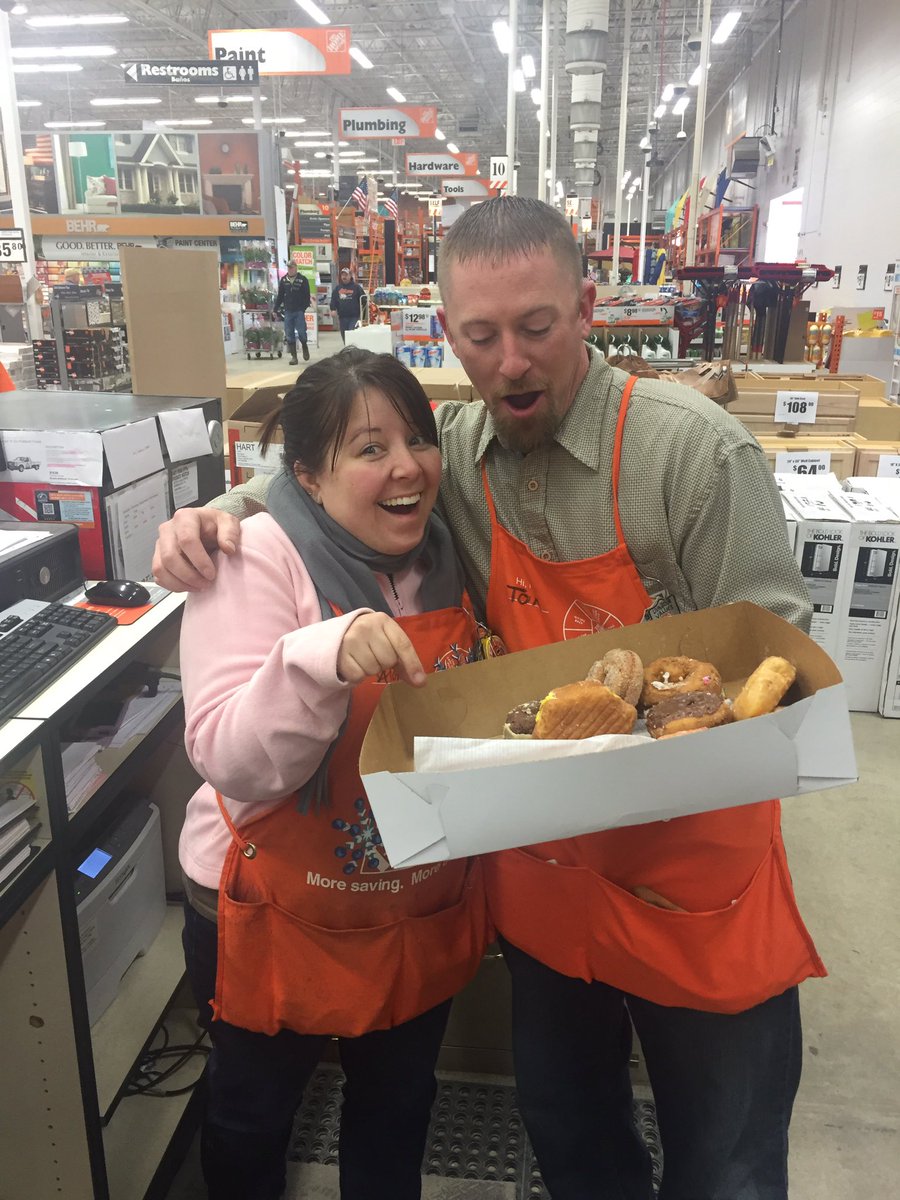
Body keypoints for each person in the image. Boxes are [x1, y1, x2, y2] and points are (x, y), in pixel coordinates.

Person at [154, 196, 820, 1200]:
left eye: (537, 328)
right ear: (449, 336)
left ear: (587, 308)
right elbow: (334, 475)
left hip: (694, 884)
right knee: (571, 1134)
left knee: (724, 1164)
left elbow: (788, 676)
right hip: (548, 888)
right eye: (481, 336)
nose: (510, 362)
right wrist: (217, 512)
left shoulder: (693, 453)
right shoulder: (458, 458)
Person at [177, 347, 490, 1200]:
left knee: (396, 1109)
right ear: (309, 478)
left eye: (418, 440)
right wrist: (322, 657)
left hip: (415, 897)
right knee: (250, 1117)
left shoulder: (446, 555)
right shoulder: (251, 559)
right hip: (276, 908)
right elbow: (228, 757)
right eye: (368, 448)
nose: (406, 467)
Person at [274, 260, 311, 365]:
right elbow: (280, 296)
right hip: (288, 311)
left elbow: (307, 296)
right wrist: (275, 309)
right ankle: (294, 357)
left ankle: (304, 345)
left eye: (292, 267)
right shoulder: (283, 280)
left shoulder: (303, 280)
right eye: (288, 267)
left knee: (302, 332)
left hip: (299, 311)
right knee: (289, 334)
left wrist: (303, 308)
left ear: (296, 268)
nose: (290, 269)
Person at [330, 266, 366, 343]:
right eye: (342, 275)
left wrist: (363, 316)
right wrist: (333, 309)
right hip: (342, 317)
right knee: (345, 337)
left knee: (351, 334)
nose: (344, 277)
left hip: (354, 317)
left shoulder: (357, 287)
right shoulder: (337, 288)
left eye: (346, 275)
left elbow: (364, 300)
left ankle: (352, 351)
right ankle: (347, 351)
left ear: (350, 276)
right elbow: (333, 299)